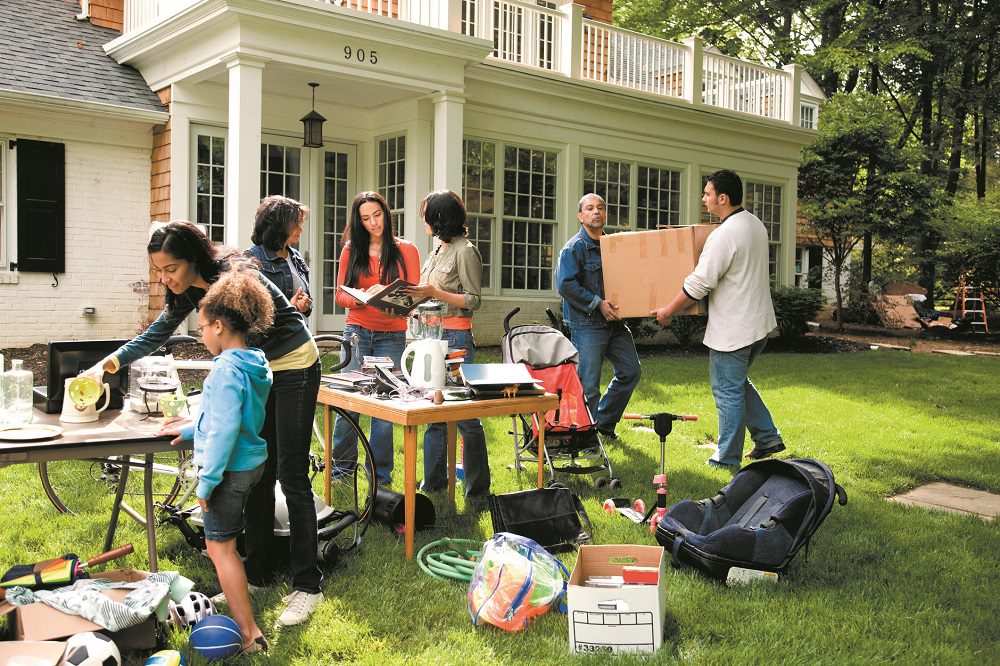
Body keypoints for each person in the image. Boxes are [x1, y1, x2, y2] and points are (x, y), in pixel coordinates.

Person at [87, 221, 324, 627]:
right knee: (259, 472)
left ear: (193, 259)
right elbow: (156, 334)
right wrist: (106, 364)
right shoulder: (188, 293)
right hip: (261, 371)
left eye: (171, 269)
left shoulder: (236, 278)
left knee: (291, 475)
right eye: (159, 271)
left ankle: (308, 585)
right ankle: (257, 573)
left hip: (294, 365)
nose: (165, 278)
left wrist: (209, 412)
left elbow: (248, 346)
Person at [159, 268, 273, 655]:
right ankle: (245, 615)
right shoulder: (254, 362)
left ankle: (250, 634)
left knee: (220, 548)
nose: (201, 335)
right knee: (227, 544)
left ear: (220, 326)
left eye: (203, 328)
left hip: (229, 470)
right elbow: (228, 417)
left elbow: (224, 431)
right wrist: (192, 429)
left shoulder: (225, 370)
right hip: (251, 463)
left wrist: (206, 483)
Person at [650, 169, 784, 470]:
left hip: (734, 330)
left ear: (722, 198)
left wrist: (669, 310)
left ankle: (726, 459)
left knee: (727, 391)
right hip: (758, 325)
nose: (703, 199)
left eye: (707, 194)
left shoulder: (724, 234)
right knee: (737, 384)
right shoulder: (754, 224)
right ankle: (767, 437)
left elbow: (700, 284)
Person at [405, 190, 489, 498]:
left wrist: (433, 293)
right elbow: (429, 292)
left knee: (464, 414)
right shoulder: (437, 250)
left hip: (456, 339)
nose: (423, 221)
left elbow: (473, 300)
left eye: (427, 215)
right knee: (433, 412)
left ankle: (477, 489)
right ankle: (434, 483)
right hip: (431, 336)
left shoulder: (465, 251)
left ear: (440, 218)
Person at [332, 191, 420, 486]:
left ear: (387, 214)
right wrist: (362, 298)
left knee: (384, 404)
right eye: (366, 218)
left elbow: (413, 296)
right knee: (350, 400)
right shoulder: (351, 250)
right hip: (357, 332)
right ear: (358, 222)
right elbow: (340, 294)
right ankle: (341, 470)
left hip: (392, 335)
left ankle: (380, 476)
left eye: (378, 215)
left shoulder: (407, 250)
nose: (374, 223)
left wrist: (388, 294)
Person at [555, 193, 641, 440]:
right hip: (587, 324)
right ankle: (585, 439)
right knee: (589, 385)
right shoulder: (573, 249)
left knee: (631, 371)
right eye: (590, 208)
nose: (596, 212)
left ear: (605, 214)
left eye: (600, 208)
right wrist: (597, 303)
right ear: (581, 216)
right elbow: (565, 285)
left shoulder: (613, 246)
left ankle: (602, 423)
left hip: (614, 323)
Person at [246, 195, 313, 317]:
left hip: (299, 328)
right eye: (296, 224)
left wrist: (306, 305)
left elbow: (307, 302)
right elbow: (249, 311)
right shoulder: (251, 259)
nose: (300, 230)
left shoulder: (296, 256)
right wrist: (290, 307)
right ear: (279, 226)